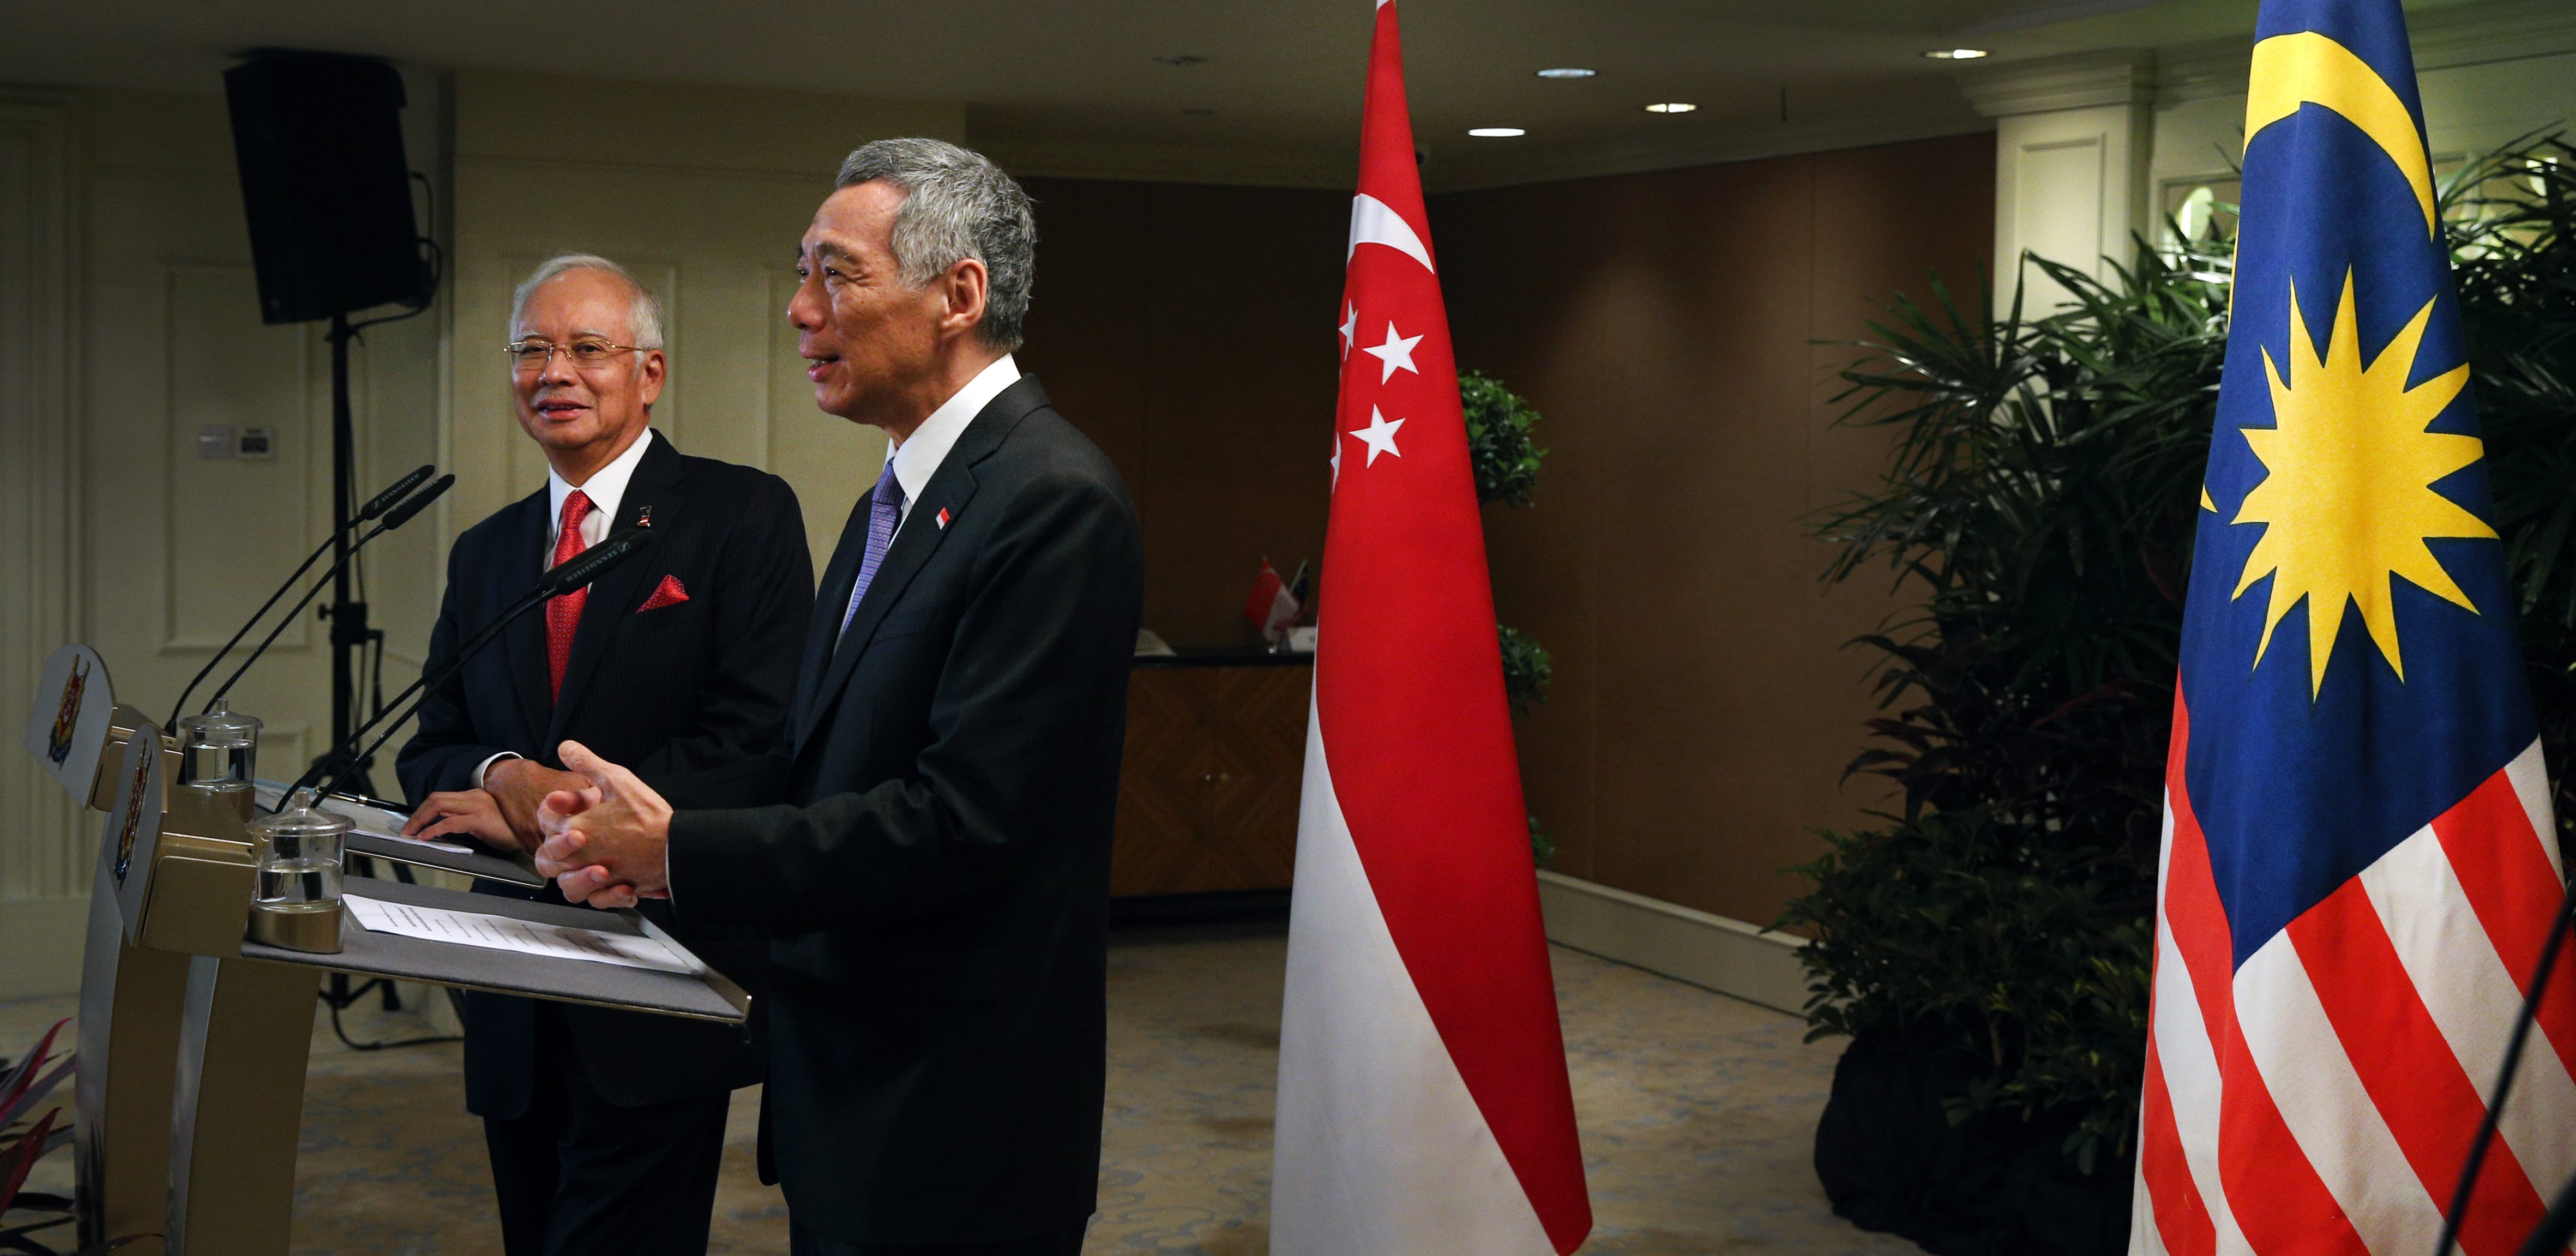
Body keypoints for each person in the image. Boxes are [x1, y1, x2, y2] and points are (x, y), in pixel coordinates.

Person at [529, 139, 1143, 1256]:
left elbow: (963, 825)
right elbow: (829, 764)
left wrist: (685, 853)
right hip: (852, 1085)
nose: (798, 310)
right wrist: (639, 824)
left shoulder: (1052, 500)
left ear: (959, 294)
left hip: (955, 1111)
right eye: (800, 272)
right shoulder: (906, 491)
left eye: (834, 274)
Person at [395, 254, 814, 1256]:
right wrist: (502, 776)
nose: (556, 372)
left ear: (651, 373)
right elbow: (431, 745)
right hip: (511, 992)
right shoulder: (487, 552)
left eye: (587, 348)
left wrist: (551, 808)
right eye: (532, 350)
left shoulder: (740, 517)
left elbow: (757, 743)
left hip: (655, 976)